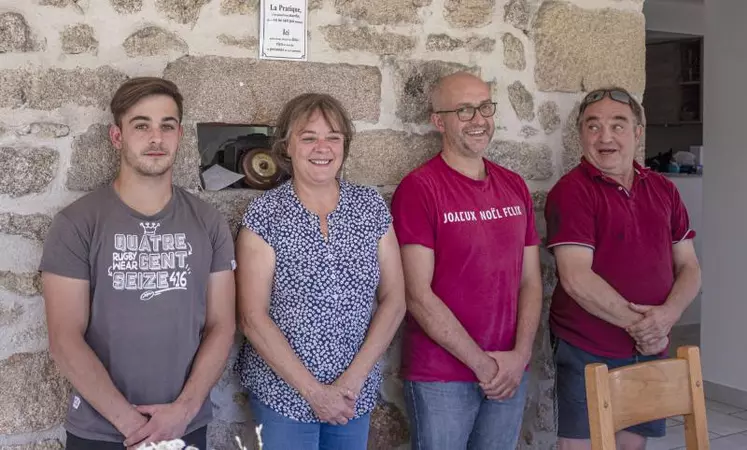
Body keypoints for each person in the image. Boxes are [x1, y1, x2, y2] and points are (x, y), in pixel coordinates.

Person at [39, 77, 237, 450]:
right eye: (141, 125)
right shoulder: (78, 223)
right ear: (117, 137)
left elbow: (222, 325)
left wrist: (184, 409)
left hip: (184, 425)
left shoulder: (208, 222)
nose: (156, 138)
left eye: (167, 126)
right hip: (100, 430)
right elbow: (65, 338)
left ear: (179, 135)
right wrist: (131, 424)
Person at [234, 93, 406, 449]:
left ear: (345, 144)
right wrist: (314, 393)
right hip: (283, 393)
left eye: (333, 137)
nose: (322, 147)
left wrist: (351, 383)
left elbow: (394, 300)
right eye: (308, 137)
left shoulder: (370, 206)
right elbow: (252, 317)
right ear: (287, 147)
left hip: (351, 395)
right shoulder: (265, 216)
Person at [390, 71, 543, 450]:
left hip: (509, 370)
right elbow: (418, 294)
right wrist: (481, 364)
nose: (479, 119)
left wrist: (520, 357)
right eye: (464, 110)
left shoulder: (514, 185)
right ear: (438, 121)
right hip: (441, 377)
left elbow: (531, 282)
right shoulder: (419, 189)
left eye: (485, 107)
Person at [544, 87, 702, 450]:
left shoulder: (663, 189)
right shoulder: (572, 192)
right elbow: (576, 277)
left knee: (633, 444)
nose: (605, 137)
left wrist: (667, 316)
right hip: (587, 346)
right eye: (593, 126)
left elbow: (690, 266)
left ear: (637, 133)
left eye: (618, 125)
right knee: (581, 445)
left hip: (649, 346)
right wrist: (645, 326)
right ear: (581, 134)